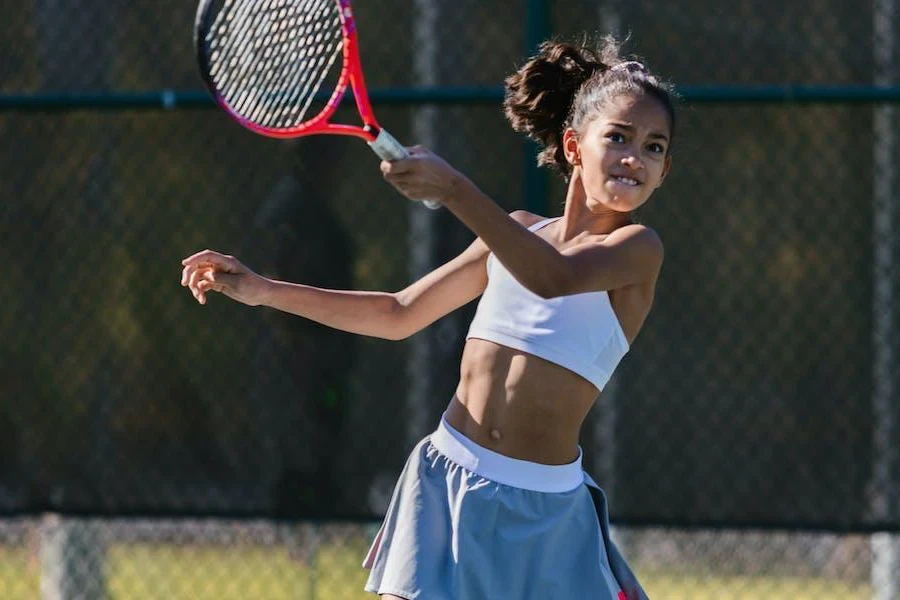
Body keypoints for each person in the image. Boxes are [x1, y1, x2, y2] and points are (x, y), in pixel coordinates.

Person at [181, 36, 674, 600]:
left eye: (654, 147)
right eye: (618, 137)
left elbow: (555, 277)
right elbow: (398, 312)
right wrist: (264, 290)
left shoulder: (639, 250)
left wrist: (454, 188)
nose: (636, 156)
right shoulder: (514, 234)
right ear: (573, 146)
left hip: (548, 514)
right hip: (446, 481)